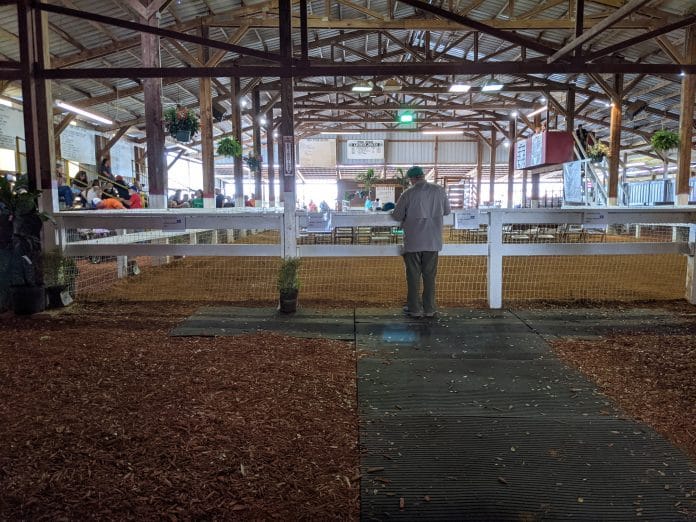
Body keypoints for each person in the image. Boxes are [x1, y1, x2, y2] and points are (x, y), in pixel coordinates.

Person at [391, 166, 451, 319]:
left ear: (411, 179)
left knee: (413, 276)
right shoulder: (439, 191)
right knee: (430, 276)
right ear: (423, 176)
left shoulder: (408, 193)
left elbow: (397, 216)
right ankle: (430, 308)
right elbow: (447, 211)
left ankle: (415, 309)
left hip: (414, 241)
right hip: (433, 240)